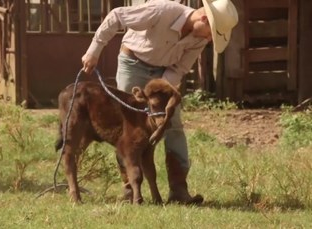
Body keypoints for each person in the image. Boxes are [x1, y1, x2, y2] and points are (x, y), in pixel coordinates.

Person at [81, 0, 238, 204]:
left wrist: (161, 95)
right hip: (133, 64)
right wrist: (94, 50)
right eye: (212, 33)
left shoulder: (199, 39)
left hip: (165, 73)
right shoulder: (161, 11)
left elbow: (179, 69)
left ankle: (179, 190)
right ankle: (130, 189)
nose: (209, 40)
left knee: (172, 124)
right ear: (204, 19)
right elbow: (117, 15)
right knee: (129, 125)